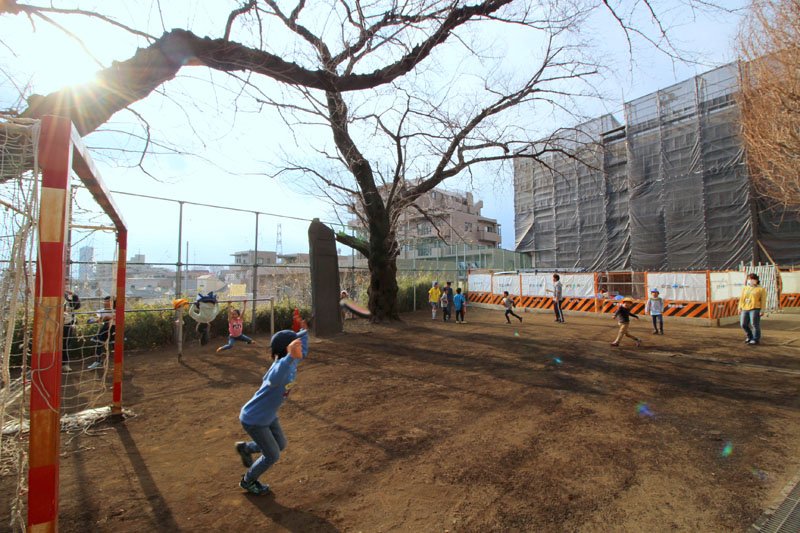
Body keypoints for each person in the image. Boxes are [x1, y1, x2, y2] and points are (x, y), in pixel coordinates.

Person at [235, 322, 308, 495]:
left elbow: (302, 349)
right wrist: (290, 356)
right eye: (296, 345)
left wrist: (304, 331)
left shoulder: (292, 361)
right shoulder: (279, 368)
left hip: (268, 416)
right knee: (272, 455)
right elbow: (275, 377)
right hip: (255, 419)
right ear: (288, 350)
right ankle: (248, 480)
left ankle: (246, 448)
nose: (301, 348)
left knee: (280, 444)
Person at [88, 296, 115, 370]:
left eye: (109, 301)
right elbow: (98, 320)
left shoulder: (117, 310)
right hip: (105, 329)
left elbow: (119, 318)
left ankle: (117, 363)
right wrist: (93, 320)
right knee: (98, 344)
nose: (107, 303)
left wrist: (109, 318)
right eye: (106, 301)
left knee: (115, 346)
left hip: (115, 329)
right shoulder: (101, 311)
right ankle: (98, 362)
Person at [739, 273, 767, 346]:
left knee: (754, 324)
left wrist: (762, 310)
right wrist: (739, 307)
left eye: (753, 279)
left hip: (755, 308)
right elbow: (741, 298)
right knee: (743, 324)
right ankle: (749, 336)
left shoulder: (761, 289)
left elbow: (763, 301)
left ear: (756, 280)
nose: (751, 280)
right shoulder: (745, 288)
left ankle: (755, 339)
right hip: (745, 308)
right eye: (750, 279)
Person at [62, 291, 81, 372]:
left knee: (65, 344)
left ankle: (64, 364)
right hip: (55, 324)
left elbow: (77, 306)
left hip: (67, 324)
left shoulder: (67, 297)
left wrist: (74, 295)